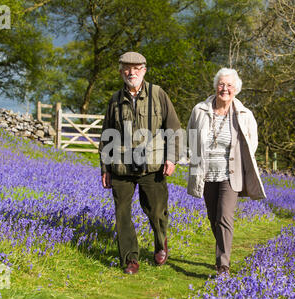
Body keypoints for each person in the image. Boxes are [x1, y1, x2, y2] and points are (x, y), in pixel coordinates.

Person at [99, 52, 182, 275]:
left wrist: (172, 157)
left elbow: (174, 128)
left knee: (156, 212)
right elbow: (106, 135)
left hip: (152, 165)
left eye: (136, 68)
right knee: (122, 214)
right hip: (121, 167)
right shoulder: (115, 100)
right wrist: (105, 168)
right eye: (127, 68)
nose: (131, 72)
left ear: (144, 70)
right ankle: (130, 259)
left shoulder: (158, 94)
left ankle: (160, 242)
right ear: (121, 72)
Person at [186, 68, 266, 275]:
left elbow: (252, 143)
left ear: (236, 89)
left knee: (224, 217)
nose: (225, 89)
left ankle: (223, 265)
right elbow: (191, 138)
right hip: (206, 173)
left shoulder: (245, 114)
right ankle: (222, 250)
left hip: (231, 174)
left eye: (229, 85)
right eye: (221, 84)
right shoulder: (199, 110)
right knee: (213, 218)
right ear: (215, 86)